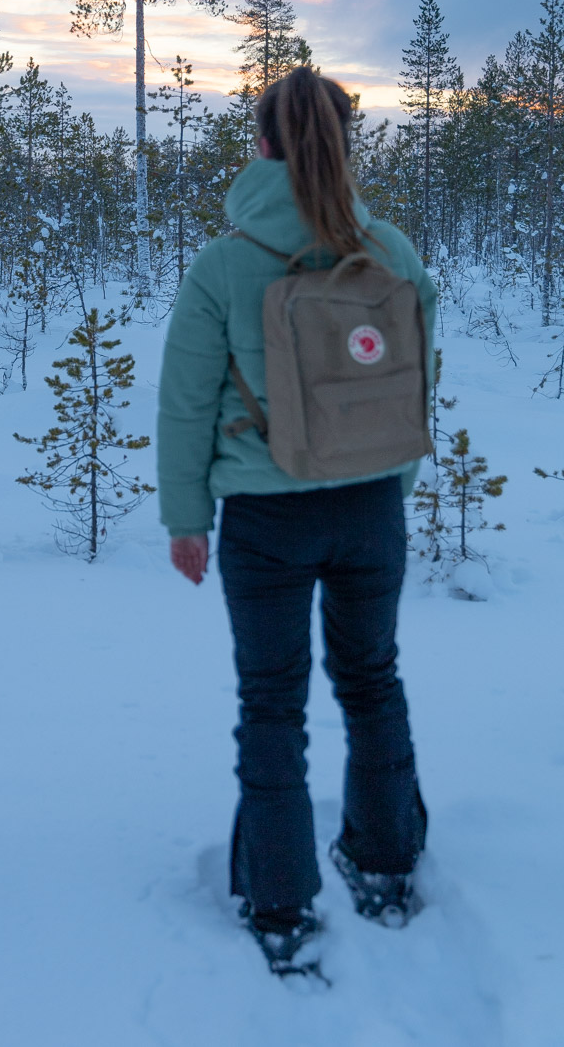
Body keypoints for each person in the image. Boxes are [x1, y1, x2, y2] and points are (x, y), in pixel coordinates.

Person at [156, 65, 435, 976]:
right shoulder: (391, 252)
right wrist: (386, 486)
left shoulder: (226, 264)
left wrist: (187, 518)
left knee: (271, 706)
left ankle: (280, 901)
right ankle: (386, 862)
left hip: (267, 519)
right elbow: (414, 384)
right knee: (373, 682)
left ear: (264, 145)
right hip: (367, 510)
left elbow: (186, 404)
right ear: (346, 145)